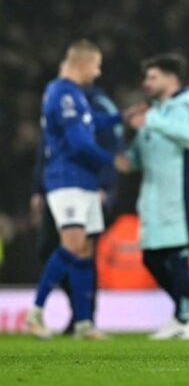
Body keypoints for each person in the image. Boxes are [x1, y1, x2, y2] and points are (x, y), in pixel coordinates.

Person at [25, 40, 123, 340]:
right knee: (72, 244)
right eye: (96, 65)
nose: (98, 72)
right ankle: (35, 313)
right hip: (66, 179)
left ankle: (83, 323)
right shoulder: (62, 93)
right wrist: (112, 160)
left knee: (85, 249)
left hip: (85, 181)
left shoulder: (75, 95)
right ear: (83, 64)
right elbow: (79, 143)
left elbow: (91, 122)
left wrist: (122, 117)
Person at [115, 53, 189, 340]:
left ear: (171, 78)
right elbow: (137, 158)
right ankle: (187, 305)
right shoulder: (154, 112)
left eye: (152, 77)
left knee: (178, 256)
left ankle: (181, 320)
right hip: (153, 200)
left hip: (181, 195)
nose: (147, 82)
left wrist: (151, 120)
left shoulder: (188, 105)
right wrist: (120, 156)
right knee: (151, 258)